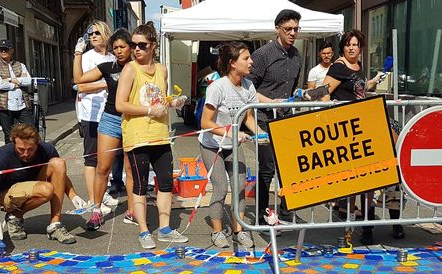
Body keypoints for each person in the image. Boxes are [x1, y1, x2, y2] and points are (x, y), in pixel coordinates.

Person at [115, 22, 188, 249]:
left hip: (160, 135)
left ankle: (165, 228)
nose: (136, 49)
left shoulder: (162, 70)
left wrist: (173, 102)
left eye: (141, 45)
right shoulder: (130, 69)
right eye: (133, 45)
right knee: (139, 185)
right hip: (138, 136)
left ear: (153, 46)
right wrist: (148, 110)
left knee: (165, 183)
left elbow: (160, 99)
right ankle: (144, 230)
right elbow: (120, 104)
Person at [321, 29, 384, 245]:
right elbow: (323, 93)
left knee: (368, 181)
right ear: (343, 47)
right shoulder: (339, 66)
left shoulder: (358, 66)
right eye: (348, 44)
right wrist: (333, 111)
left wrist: (372, 83)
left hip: (362, 127)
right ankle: (347, 230)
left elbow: (358, 89)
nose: (351, 47)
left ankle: (367, 226)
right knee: (351, 184)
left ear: (361, 48)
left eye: (355, 44)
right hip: (345, 131)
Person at [0, 123, 85, 244]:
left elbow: (60, 174)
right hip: (6, 195)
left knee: (58, 163)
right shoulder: (1, 156)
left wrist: (73, 194)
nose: (26, 154)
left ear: (37, 143)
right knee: (47, 189)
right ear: (14, 143)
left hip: (34, 185)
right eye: (21, 149)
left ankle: (55, 224)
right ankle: (15, 215)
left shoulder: (46, 149)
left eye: (30, 149)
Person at [200, 41, 262, 248]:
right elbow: (205, 122)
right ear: (233, 63)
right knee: (220, 186)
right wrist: (230, 132)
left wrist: (262, 134)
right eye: (246, 58)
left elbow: (248, 119)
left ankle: (239, 229)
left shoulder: (249, 86)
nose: (251, 62)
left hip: (233, 144)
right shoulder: (217, 88)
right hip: (212, 145)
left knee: (240, 185)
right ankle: (217, 232)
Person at [74, 28, 136, 231]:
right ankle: (96, 211)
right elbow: (79, 80)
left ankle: (133, 211)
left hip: (132, 120)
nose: (118, 51)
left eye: (122, 47)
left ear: (130, 48)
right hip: (110, 119)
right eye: (115, 47)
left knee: (130, 169)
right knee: (102, 168)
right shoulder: (108, 66)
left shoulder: (137, 68)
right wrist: (77, 54)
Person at [248, 9, 302, 225]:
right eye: (288, 29)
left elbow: (293, 85)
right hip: (263, 118)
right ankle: (263, 213)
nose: (292, 33)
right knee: (267, 168)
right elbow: (248, 88)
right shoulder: (262, 54)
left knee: (290, 167)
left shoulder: (296, 55)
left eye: (296, 29)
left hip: (286, 118)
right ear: (277, 29)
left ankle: (288, 211)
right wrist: (270, 103)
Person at [74, 21, 119, 212]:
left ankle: (101, 192)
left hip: (109, 113)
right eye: (90, 33)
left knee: (105, 159)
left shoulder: (113, 57)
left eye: (97, 33)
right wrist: (107, 84)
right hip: (90, 113)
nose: (92, 36)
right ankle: (93, 200)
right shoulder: (86, 57)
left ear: (106, 35)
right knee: (92, 158)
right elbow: (80, 85)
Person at [0, 39, 34, 143]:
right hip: (5, 106)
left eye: (6, 49)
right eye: (1, 50)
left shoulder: (20, 65)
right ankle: (11, 156)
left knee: (31, 130)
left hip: (22, 105)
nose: (3, 52)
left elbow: (28, 80)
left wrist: (9, 80)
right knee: (9, 135)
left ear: (11, 50)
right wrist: (16, 84)